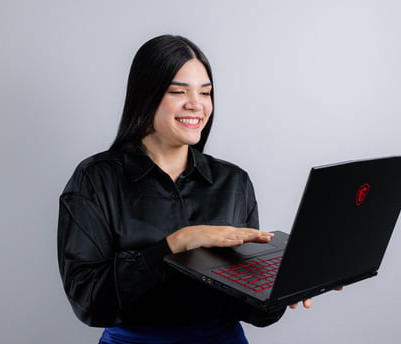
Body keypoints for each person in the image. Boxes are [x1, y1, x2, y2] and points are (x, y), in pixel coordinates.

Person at [57, 34, 311, 344]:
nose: (196, 105)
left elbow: (247, 307)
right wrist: (175, 244)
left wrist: (284, 289)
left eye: (205, 93)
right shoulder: (96, 180)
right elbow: (88, 302)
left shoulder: (233, 182)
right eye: (178, 91)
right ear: (146, 96)